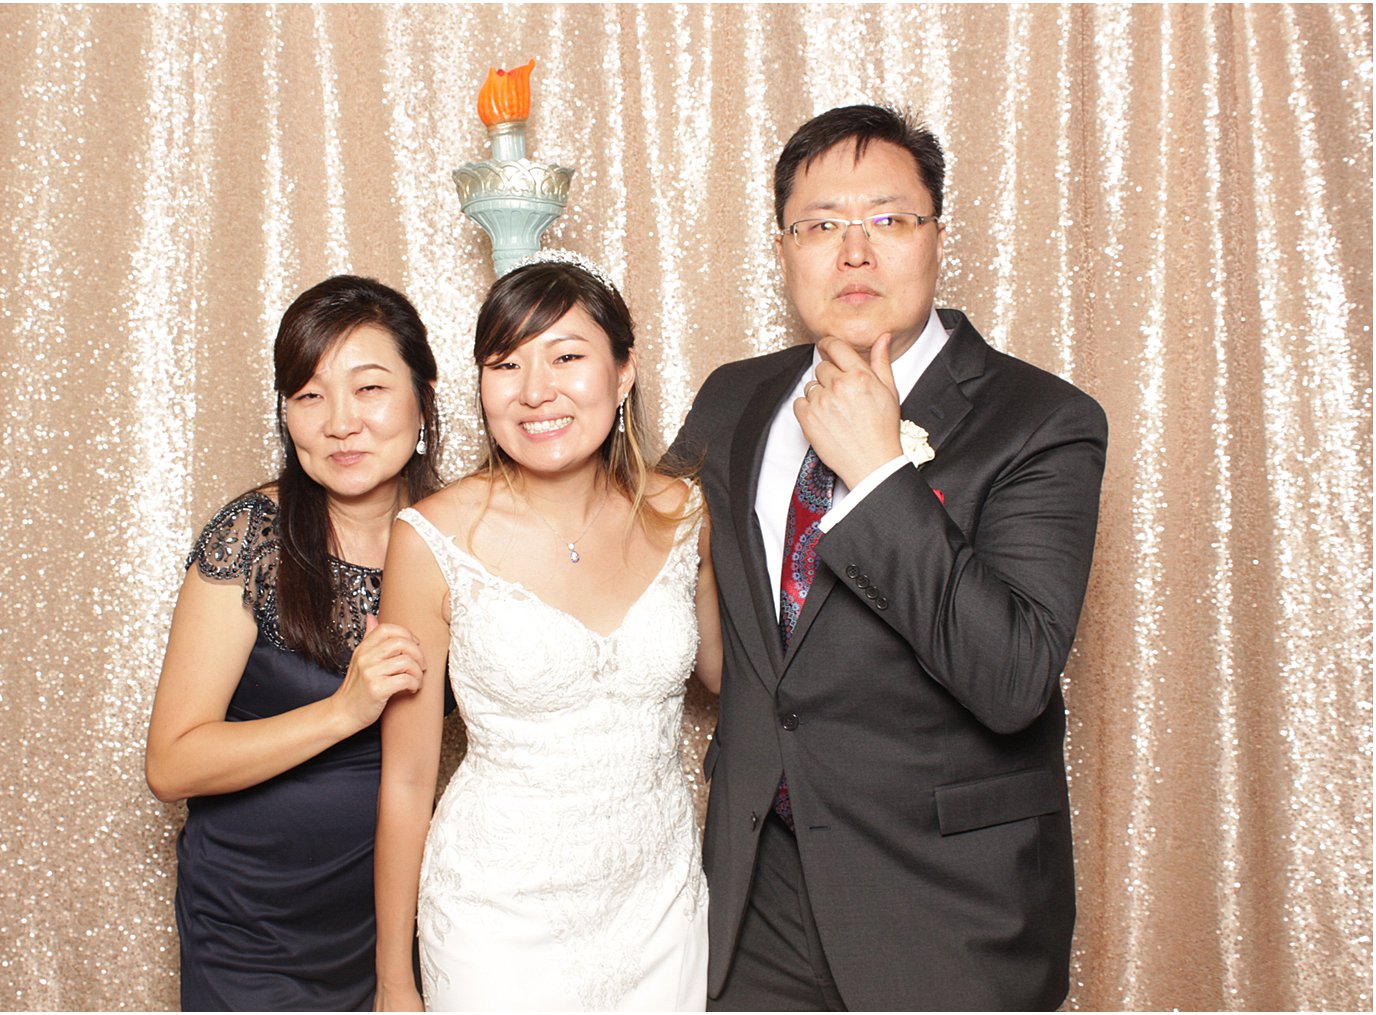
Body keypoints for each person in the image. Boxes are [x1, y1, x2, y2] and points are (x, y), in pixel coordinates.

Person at [669, 105, 1108, 1010]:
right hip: (759, 897)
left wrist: (875, 471)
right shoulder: (733, 399)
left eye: (886, 219)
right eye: (821, 225)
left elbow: (1015, 673)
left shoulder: (1041, 421)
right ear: (786, 248)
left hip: (946, 905)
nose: (853, 252)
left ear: (937, 235)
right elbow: (628, 552)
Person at [372, 252, 723, 1012]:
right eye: (506, 364)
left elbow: (743, 680)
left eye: (567, 356)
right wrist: (395, 980)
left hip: (657, 907)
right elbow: (405, 779)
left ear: (624, 372)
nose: (536, 391)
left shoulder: (686, 513)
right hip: (496, 920)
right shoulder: (431, 537)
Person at [144, 275, 440, 1011]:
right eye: (309, 395)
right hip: (252, 929)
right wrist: (345, 708)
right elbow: (171, 762)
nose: (341, 422)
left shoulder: (456, 538)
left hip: (404, 919)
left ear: (423, 398)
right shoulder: (253, 536)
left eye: (369, 388)